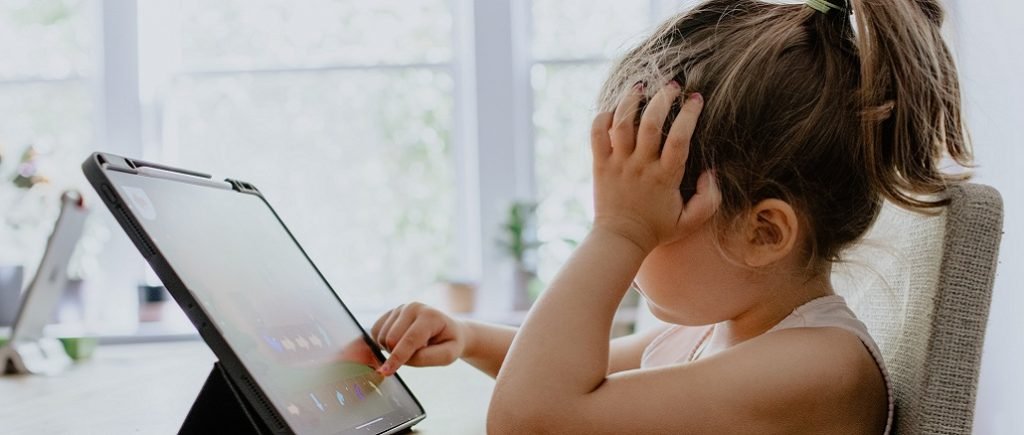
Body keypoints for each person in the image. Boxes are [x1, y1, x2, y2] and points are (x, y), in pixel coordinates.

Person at [371, 0, 970, 432]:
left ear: (762, 233)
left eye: (651, 218)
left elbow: (532, 418)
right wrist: (470, 336)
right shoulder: (715, 327)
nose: (628, 250)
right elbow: (583, 369)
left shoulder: (822, 367)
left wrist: (619, 232)